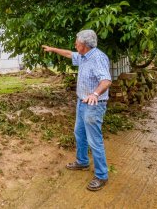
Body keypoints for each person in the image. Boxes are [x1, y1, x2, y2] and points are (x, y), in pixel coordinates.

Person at [42, 29, 112, 191]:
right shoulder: (83, 56)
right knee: (79, 133)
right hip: (82, 102)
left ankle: (102, 175)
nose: (75, 44)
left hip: (94, 104)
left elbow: (106, 80)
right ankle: (82, 162)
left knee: (94, 140)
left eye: (77, 42)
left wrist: (95, 93)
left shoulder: (98, 58)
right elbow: (68, 54)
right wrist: (53, 49)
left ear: (84, 45)